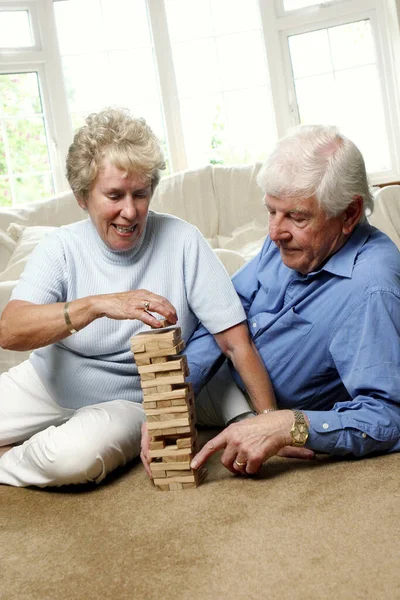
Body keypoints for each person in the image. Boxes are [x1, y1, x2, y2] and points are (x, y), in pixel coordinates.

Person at [0, 107, 282, 488]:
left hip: (132, 402)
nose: (130, 212)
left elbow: (235, 342)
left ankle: (10, 460)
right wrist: (99, 304)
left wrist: (270, 421)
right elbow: (10, 330)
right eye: (114, 195)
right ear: (83, 197)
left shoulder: (184, 241)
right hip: (48, 380)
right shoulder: (60, 248)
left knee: (72, 458)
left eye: (141, 193)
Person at [185, 124, 400, 476]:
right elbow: (225, 311)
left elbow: (388, 415)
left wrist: (291, 426)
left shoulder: (372, 287)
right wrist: (178, 388)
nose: (274, 233)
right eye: (271, 211)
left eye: (297, 217)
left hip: (239, 400)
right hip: (219, 373)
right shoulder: (289, 241)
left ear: (349, 213)